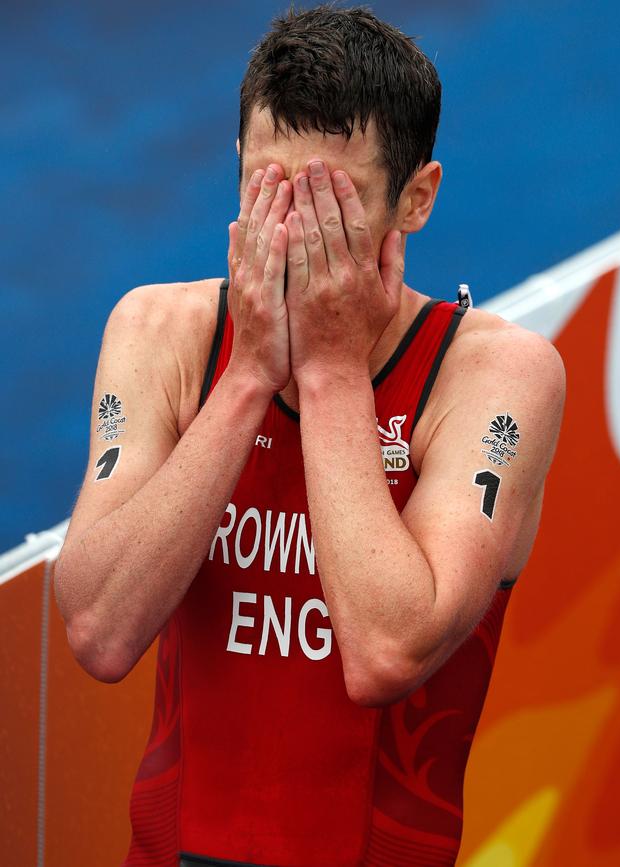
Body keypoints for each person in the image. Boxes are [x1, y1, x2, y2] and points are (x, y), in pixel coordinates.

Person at [53, 6, 566, 866]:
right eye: (269, 191)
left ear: (417, 199)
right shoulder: (160, 332)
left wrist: (330, 370)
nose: (294, 234)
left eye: (332, 202)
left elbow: (386, 650)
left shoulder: (495, 376)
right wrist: (248, 375)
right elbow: (99, 630)